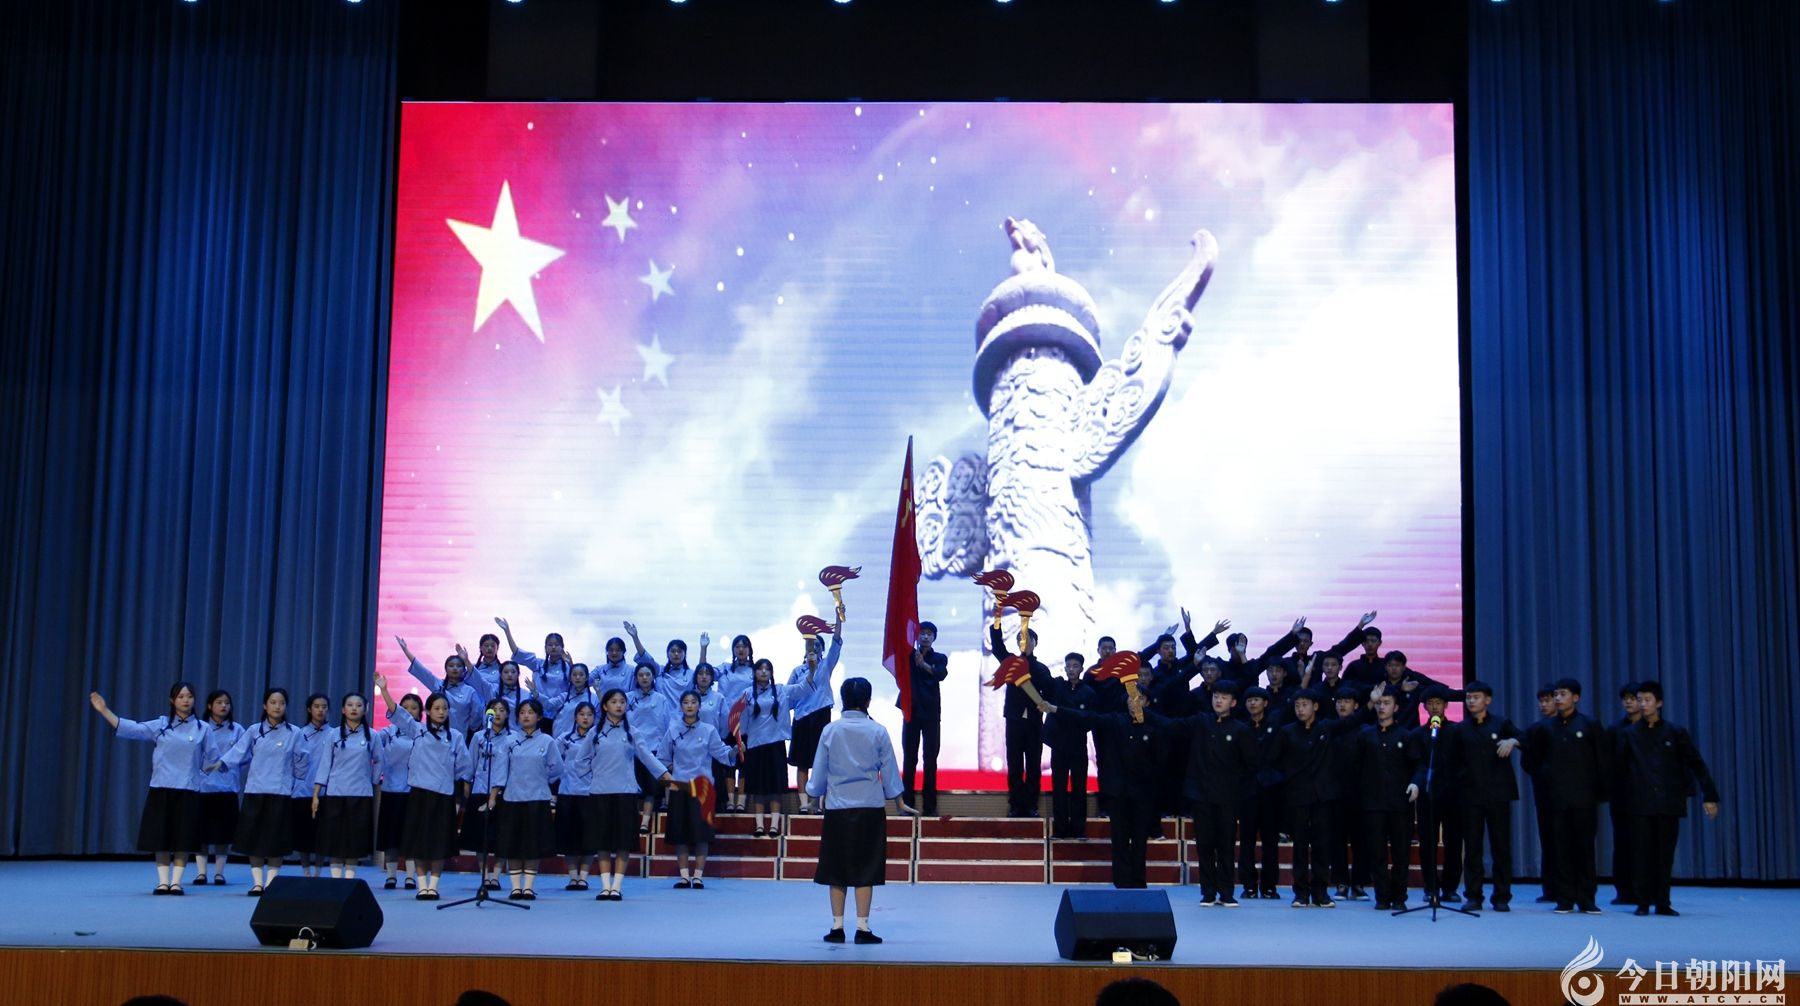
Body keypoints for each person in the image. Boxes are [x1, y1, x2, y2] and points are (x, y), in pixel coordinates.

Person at [807, 677, 907, 943]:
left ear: (842, 699)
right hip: (870, 808)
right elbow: (889, 770)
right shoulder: (878, 731)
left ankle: (837, 927)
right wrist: (898, 801)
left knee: (835, 868)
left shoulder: (830, 730)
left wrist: (813, 793)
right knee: (866, 868)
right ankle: (863, 928)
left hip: (838, 807)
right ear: (868, 701)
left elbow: (819, 772)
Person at [1041, 688, 1165, 889]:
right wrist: (1055, 709)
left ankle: (1139, 881)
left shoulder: (1156, 726)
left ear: (1147, 703)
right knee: (1120, 838)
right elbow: (1086, 717)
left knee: (1140, 838)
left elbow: (1162, 755)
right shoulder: (1116, 721)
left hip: (1143, 793)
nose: (1134, 702)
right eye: (1131, 698)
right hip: (1119, 791)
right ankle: (1121, 881)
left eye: (1140, 698)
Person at [89, 684, 206, 894]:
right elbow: (132, 729)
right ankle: (163, 881)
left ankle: (176, 882)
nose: (185, 700)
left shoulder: (203, 728)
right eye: (181, 696)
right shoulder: (161, 724)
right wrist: (104, 710)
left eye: (189, 696)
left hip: (188, 790)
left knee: (183, 838)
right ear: (172, 700)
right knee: (160, 837)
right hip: (161, 788)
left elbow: (213, 758)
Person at [1618, 680, 1720, 916]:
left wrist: (1710, 796)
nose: (1643, 704)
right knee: (1641, 853)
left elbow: (1696, 763)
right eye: (1640, 700)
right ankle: (1643, 901)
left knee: (1664, 854)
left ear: (1659, 703)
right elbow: (1620, 769)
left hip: (1668, 802)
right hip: (1640, 803)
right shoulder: (1629, 734)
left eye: (1647, 700)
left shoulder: (1675, 732)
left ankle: (1662, 901)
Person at [1265, 687, 1369, 907]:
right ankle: (1301, 893)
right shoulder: (1287, 732)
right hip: (1297, 795)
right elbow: (1272, 759)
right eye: (1297, 705)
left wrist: (1370, 704)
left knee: (1322, 845)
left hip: (1324, 796)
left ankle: (1321, 892)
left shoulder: (1326, 728)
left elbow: (1350, 722)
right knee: (1300, 846)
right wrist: (1288, 778)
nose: (1300, 709)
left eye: (1304, 705)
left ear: (1316, 707)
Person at [1519, 678, 1610, 914]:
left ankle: (1587, 899)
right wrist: (1546, 777)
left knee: (1585, 849)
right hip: (1555, 799)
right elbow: (1531, 759)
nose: (1558, 699)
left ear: (1576, 698)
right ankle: (1564, 898)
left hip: (1584, 798)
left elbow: (1602, 760)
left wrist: (1598, 791)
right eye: (1556, 695)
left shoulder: (1590, 724)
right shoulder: (1544, 728)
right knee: (1560, 849)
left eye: (1563, 694)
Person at [1162, 679, 1253, 906]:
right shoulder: (1201, 722)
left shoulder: (1240, 729)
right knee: (1204, 844)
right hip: (1201, 794)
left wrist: (1238, 789)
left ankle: (1226, 892)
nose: (1218, 700)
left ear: (1233, 702)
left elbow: (1250, 764)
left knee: (1225, 845)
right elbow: (1172, 725)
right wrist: (1144, 714)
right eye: (1216, 696)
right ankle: (1208, 892)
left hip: (1228, 796)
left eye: (1224, 697)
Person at [210, 687, 306, 896]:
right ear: (265, 705)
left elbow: (302, 760)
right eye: (273, 702)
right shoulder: (254, 730)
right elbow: (238, 751)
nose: (277, 706)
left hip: (280, 792)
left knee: (276, 840)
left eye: (281, 703)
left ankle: (271, 883)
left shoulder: (295, 733)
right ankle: (257, 883)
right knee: (254, 839)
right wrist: (221, 763)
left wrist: (299, 775)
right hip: (255, 791)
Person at [577, 688, 671, 900]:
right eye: (614, 701)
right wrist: (594, 775)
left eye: (622, 702)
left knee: (623, 842)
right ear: (605, 706)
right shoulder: (595, 733)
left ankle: (616, 887)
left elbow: (647, 757)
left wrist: (665, 775)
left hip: (626, 793)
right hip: (600, 792)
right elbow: (580, 761)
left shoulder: (632, 732)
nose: (619, 705)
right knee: (602, 842)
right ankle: (605, 886)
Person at [384, 687, 472, 901]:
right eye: (437, 708)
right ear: (428, 711)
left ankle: (434, 886)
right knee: (419, 842)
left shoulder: (455, 736)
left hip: (443, 796)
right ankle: (422, 885)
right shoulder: (418, 730)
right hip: (419, 795)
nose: (441, 712)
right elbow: (397, 712)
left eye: (445, 708)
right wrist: (384, 689)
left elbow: (465, 766)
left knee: (439, 843)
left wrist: (457, 783)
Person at [1453, 680, 1521, 911]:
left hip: (1498, 794)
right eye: (1468, 697)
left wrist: (1513, 740)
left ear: (1488, 700)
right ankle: (1473, 895)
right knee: (1472, 848)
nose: (1471, 701)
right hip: (1470, 795)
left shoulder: (1502, 723)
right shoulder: (1461, 729)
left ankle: (1501, 896)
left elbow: (1527, 739)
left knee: (1501, 847)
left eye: (1476, 697)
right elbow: (1452, 761)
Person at [488, 697, 562, 900]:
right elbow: (500, 770)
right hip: (513, 798)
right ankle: (515, 887)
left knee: (533, 844)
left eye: (530, 712)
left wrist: (542, 779)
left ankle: (528, 887)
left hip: (537, 798)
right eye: (522, 713)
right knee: (512, 844)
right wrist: (493, 795)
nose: (526, 716)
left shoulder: (547, 741)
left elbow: (557, 768)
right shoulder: (509, 741)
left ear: (539, 717)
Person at [1354, 688, 1420, 910]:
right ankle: (1382, 896)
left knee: (1401, 852)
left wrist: (1416, 782)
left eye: (1387, 703)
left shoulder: (1406, 736)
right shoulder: (1365, 735)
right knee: (1377, 852)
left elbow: (1417, 765)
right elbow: (1357, 766)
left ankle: (1399, 897)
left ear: (1396, 707)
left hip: (1400, 802)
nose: (1382, 707)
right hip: (1373, 802)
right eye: (1379, 703)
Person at [664, 690, 736, 888]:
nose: (689, 705)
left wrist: (735, 751)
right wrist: (672, 773)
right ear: (680, 706)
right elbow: (662, 757)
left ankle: (698, 876)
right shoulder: (673, 730)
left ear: (699, 706)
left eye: (693, 702)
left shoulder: (709, 730)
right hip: (680, 788)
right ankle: (684, 876)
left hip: (703, 790)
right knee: (680, 835)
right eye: (686, 702)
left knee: (702, 834)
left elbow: (723, 755)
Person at [1407, 684, 1466, 904]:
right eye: (1430, 703)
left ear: (1446, 705)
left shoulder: (1457, 731)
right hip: (1428, 795)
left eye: (1438, 703)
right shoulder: (1418, 734)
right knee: (1428, 843)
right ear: (1424, 707)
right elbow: (1417, 763)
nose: (1434, 707)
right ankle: (1431, 887)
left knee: (1453, 842)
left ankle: (1450, 888)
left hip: (1453, 795)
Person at [311, 692, 380, 879]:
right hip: (335, 793)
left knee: (354, 841)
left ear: (365, 709)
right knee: (335, 840)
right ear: (343, 709)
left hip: (361, 794)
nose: (354, 708)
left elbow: (379, 760)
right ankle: (336, 880)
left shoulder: (373, 735)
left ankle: (349, 879)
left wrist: (372, 781)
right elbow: (325, 764)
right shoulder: (333, 734)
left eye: (358, 705)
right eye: (350, 705)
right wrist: (316, 793)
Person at [1033, 650, 1097, 838]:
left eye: (1075, 666)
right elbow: (1041, 681)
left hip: (1078, 746)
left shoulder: (1089, 692)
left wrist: (1059, 711)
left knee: (1079, 789)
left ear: (1082, 669)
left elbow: (1088, 720)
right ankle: (1060, 830)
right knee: (1059, 788)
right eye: (1068, 666)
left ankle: (1078, 830)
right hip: (1058, 745)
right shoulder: (1057, 686)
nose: (1071, 669)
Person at [990, 621, 1047, 818]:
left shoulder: (1041, 669)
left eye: (1028, 639)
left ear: (1035, 642)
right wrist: (997, 621)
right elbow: (997, 647)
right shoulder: (1010, 663)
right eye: (1020, 639)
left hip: (1034, 723)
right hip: (1014, 721)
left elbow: (1048, 691)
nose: (1024, 642)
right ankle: (1015, 805)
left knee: (1033, 765)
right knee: (1014, 764)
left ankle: (1031, 806)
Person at [787, 620, 844, 812]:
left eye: (818, 645)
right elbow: (788, 697)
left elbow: (836, 640)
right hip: (801, 718)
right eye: (811, 645)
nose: (814, 648)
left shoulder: (826, 665)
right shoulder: (797, 671)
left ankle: (818, 803)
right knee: (802, 763)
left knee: (821, 762)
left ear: (822, 650)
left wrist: (838, 617)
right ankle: (804, 803)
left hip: (821, 717)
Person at [463, 698, 517, 890]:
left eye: (502, 710)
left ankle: (496, 875)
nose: (498, 713)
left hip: (505, 793)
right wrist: (467, 788)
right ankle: (484, 875)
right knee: (481, 837)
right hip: (480, 789)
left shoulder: (513, 737)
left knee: (501, 836)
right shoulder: (479, 736)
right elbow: (470, 763)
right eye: (494, 710)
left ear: (508, 714)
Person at [1236, 686, 1284, 899]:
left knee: (1270, 841)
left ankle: (1269, 886)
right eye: (1249, 700)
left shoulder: (1276, 726)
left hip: (1271, 791)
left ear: (1265, 703)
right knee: (1246, 841)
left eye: (1256, 700)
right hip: (1247, 791)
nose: (1252, 703)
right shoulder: (1241, 727)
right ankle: (1248, 885)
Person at [372, 684, 422, 890]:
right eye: (405, 708)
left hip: (413, 791)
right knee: (391, 835)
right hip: (391, 789)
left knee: (410, 834)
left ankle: (410, 876)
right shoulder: (388, 732)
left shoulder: (422, 732)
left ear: (420, 712)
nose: (409, 712)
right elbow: (373, 745)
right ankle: (391, 875)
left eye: (414, 708)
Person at [193, 689, 244, 886]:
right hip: (203, 787)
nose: (223, 706)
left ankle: (219, 873)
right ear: (209, 706)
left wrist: (229, 766)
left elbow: (245, 754)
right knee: (201, 833)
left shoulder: (237, 729)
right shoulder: (200, 727)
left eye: (227, 703)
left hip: (227, 787)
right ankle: (201, 873)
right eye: (219, 702)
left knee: (223, 834)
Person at [902, 621, 949, 817]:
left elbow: (941, 674)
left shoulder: (940, 658)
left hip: (931, 714)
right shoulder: (909, 655)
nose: (926, 637)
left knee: (930, 760)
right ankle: (907, 804)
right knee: (909, 759)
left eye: (929, 634)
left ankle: (930, 807)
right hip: (911, 712)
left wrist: (923, 665)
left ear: (934, 638)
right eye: (922, 633)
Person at [740, 659, 791, 837]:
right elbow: (742, 719)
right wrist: (742, 739)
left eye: (767, 669)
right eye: (760, 669)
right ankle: (760, 825)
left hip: (775, 743)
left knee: (775, 786)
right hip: (755, 744)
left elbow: (801, 690)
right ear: (754, 672)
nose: (763, 672)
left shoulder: (780, 690)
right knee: (758, 786)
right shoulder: (747, 693)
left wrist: (812, 671)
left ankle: (775, 825)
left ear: (771, 673)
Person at [496, 617, 573, 732]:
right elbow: (517, 651)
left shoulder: (568, 667)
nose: (553, 647)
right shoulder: (538, 664)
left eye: (557, 644)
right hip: (538, 715)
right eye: (550, 645)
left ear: (562, 647)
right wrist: (507, 631)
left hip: (560, 715)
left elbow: (577, 685)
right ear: (545, 648)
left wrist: (572, 665)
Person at [398, 638, 483, 735]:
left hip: (461, 736)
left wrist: (470, 729)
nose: (455, 668)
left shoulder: (470, 691)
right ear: (446, 669)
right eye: (451, 665)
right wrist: (406, 650)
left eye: (459, 666)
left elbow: (476, 716)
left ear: (464, 670)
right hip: (436, 735)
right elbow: (422, 671)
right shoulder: (438, 685)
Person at [1607, 682, 1643, 906]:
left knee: (1645, 844)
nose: (1629, 702)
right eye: (1625, 698)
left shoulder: (1654, 728)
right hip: (1621, 794)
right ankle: (1624, 890)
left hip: (1646, 794)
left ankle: (1645, 890)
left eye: (1633, 698)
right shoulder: (1615, 729)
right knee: (1622, 843)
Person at [291, 693, 332, 877]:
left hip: (326, 792)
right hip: (302, 791)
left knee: (323, 834)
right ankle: (306, 871)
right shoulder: (299, 733)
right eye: (316, 706)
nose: (320, 710)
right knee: (304, 835)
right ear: (309, 709)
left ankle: (318, 871)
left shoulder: (334, 734)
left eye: (324, 707)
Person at [1524, 683, 1558, 902]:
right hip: (1545, 792)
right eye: (1541, 701)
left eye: (1548, 700)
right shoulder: (1536, 729)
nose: (1544, 705)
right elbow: (1528, 761)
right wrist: (1542, 774)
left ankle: (1573, 888)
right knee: (1548, 840)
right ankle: (1550, 888)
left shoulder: (1574, 725)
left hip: (1571, 793)